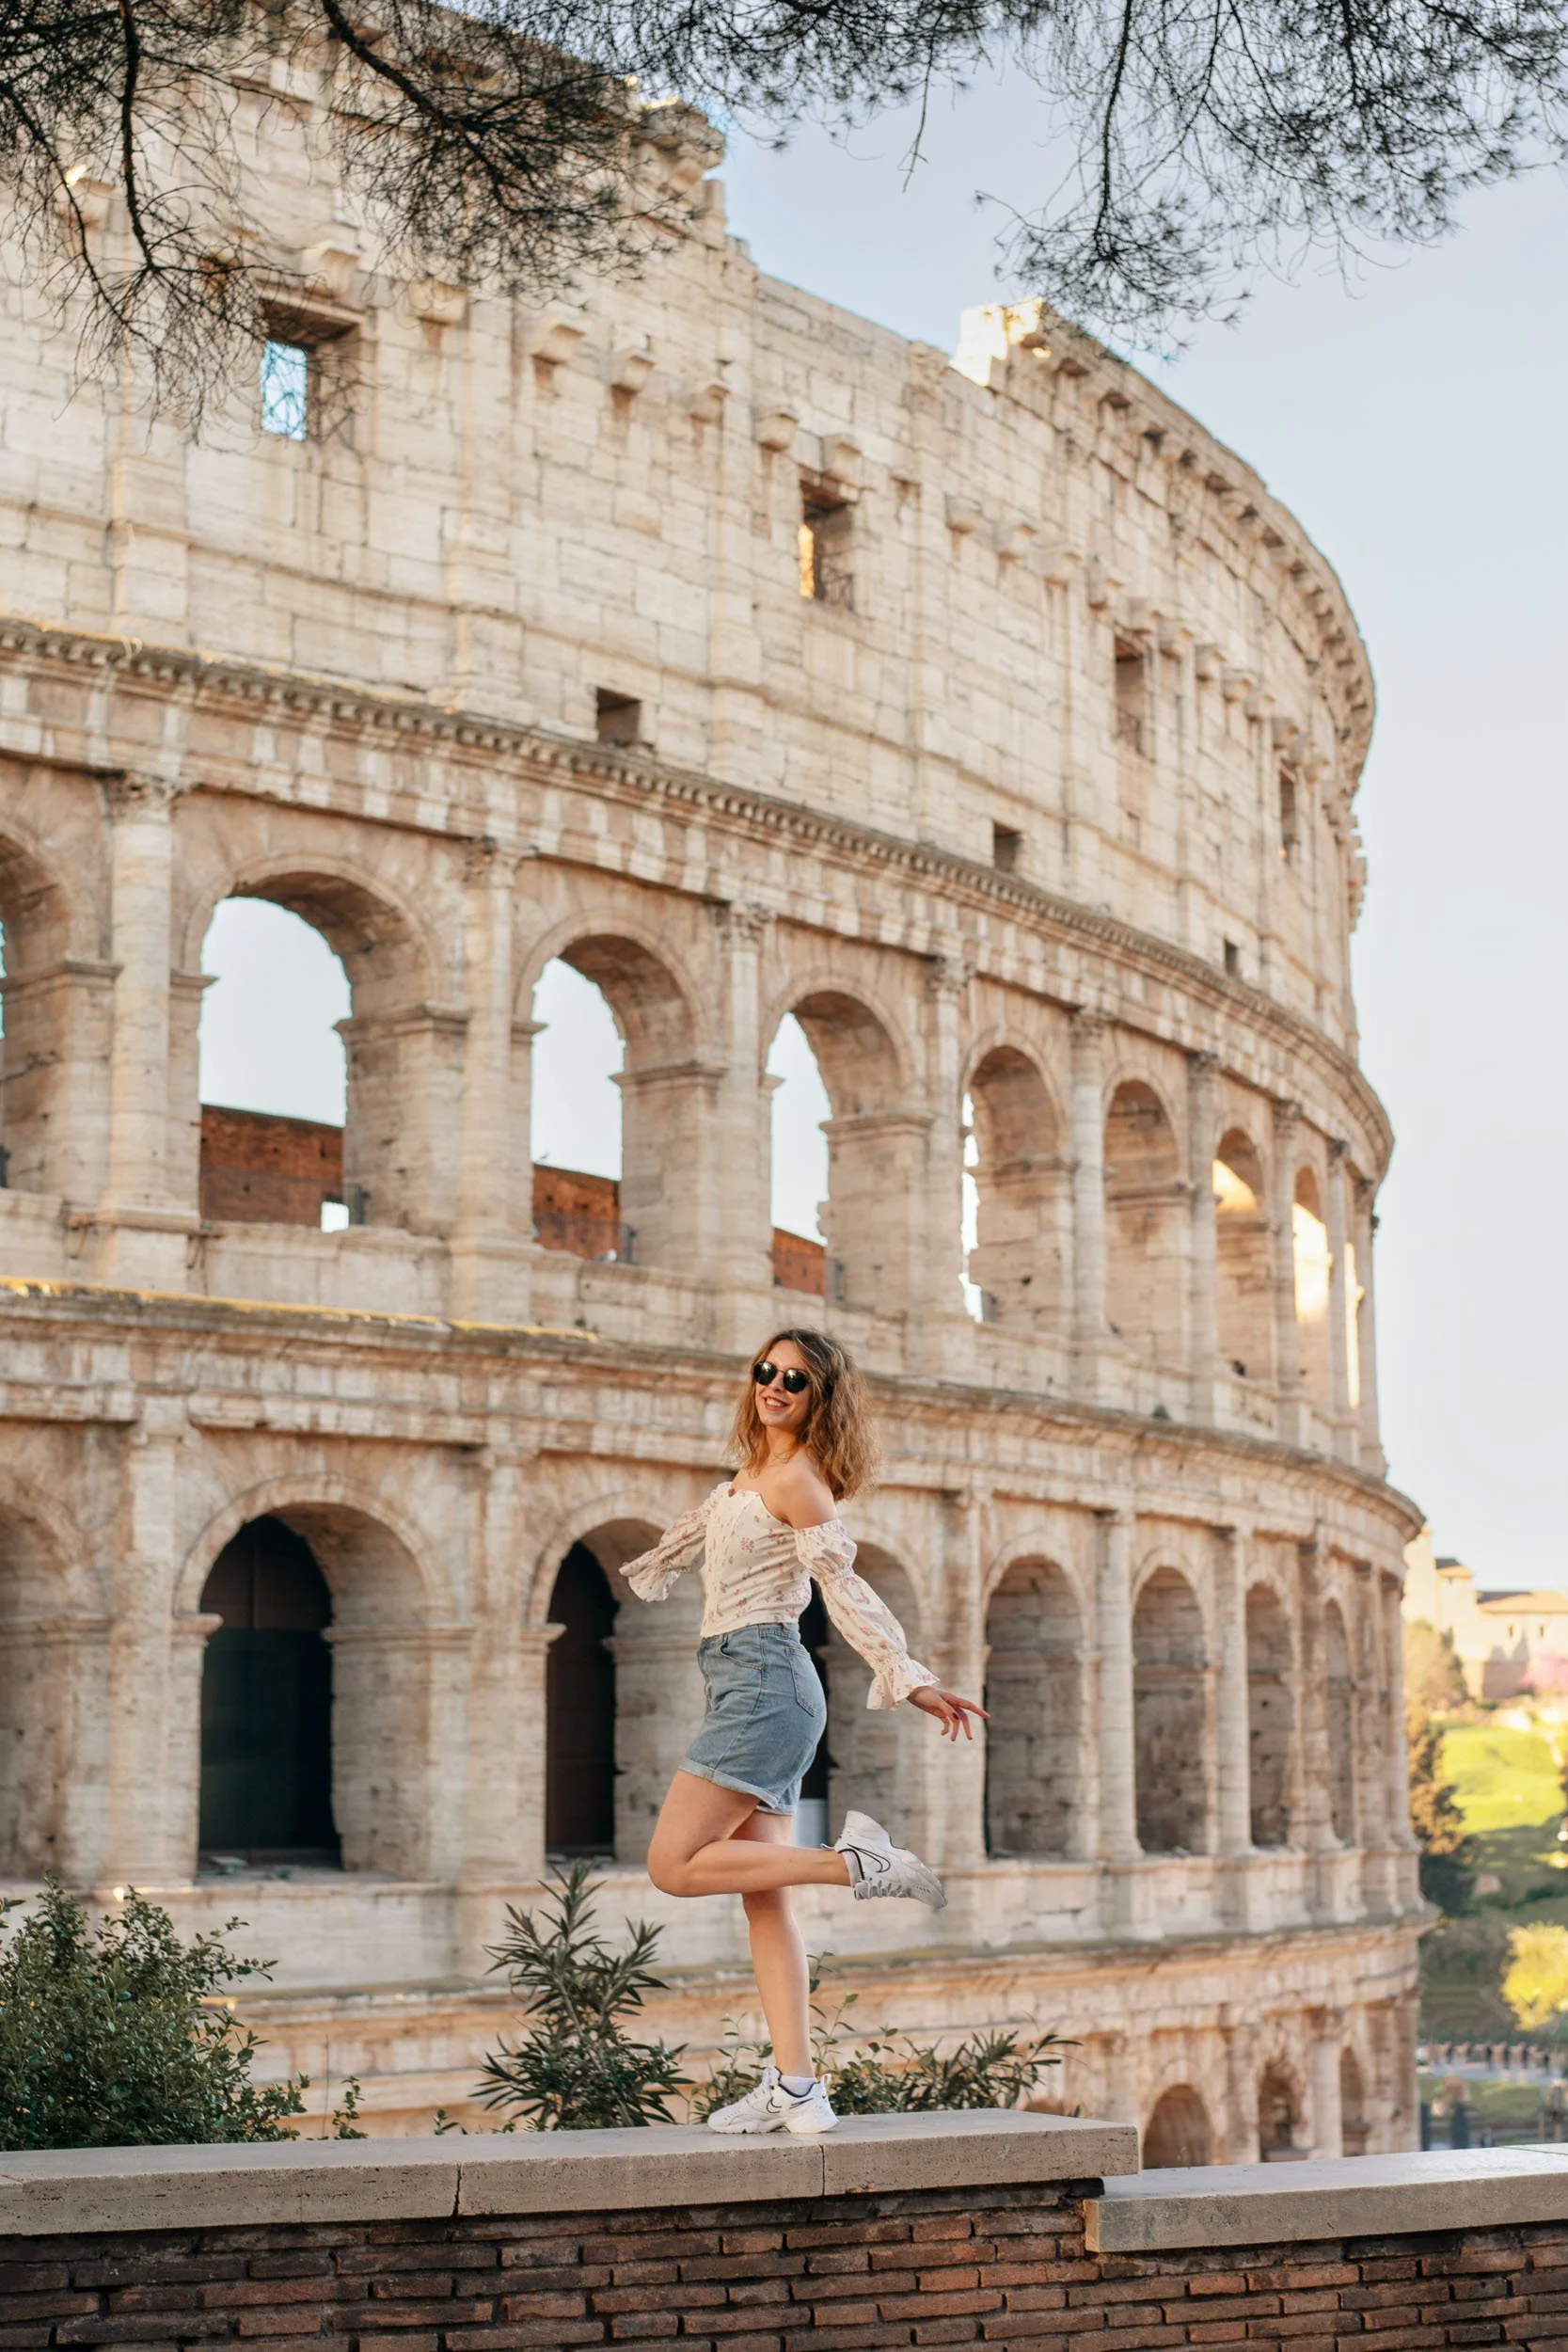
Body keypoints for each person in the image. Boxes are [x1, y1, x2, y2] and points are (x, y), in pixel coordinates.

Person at [619, 1327, 986, 2137]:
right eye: (765, 1371)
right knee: (764, 1901)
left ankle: (856, 1862)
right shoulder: (748, 1477)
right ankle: (795, 2085)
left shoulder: (799, 1484)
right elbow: (696, 1534)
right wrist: (652, 1561)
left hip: (764, 1685)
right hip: (746, 1683)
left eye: (796, 1379)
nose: (775, 1386)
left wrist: (908, 1676)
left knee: (673, 1867)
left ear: (822, 1397)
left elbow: (842, 1588)